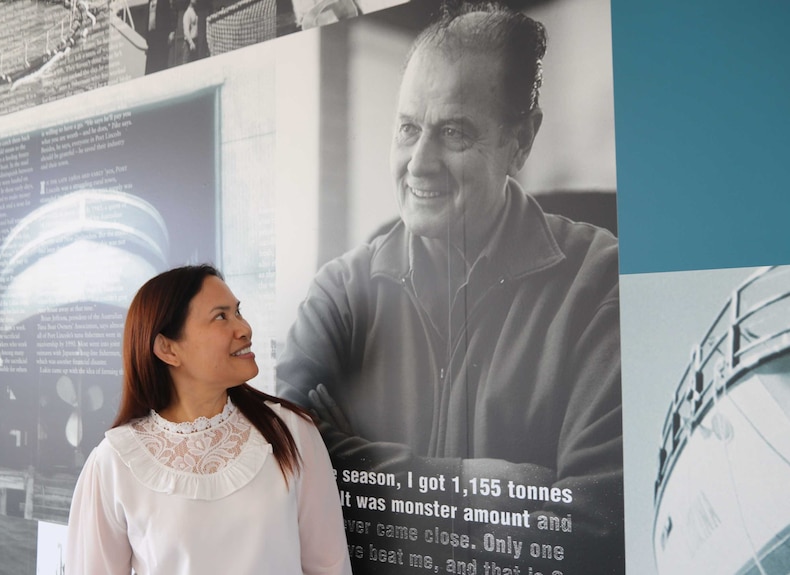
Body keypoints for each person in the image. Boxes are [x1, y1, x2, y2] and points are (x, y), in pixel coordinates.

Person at [276, 3, 623, 573]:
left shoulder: (598, 282)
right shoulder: (339, 293)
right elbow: (276, 464)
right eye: (408, 129)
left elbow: (595, 527)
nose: (420, 163)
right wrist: (467, 483)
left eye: (454, 133)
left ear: (521, 142)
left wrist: (355, 470)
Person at [66, 264, 351, 574]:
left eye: (238, 312)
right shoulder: (115, 462)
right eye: (221, 316)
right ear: (168, 348)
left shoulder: (292, 433)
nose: (244, 329)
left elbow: (329, 567)